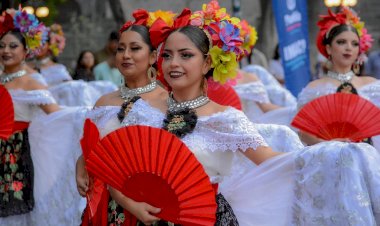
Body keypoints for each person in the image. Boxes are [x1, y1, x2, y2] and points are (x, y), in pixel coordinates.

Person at [86, 6, 380, 226]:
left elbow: (278, 162)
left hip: (205, 219)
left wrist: (333, 152)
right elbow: (116, 168)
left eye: (185, 55)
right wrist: (131, 204)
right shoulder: (143, 110)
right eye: (166, 55)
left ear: (207, 64)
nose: (173, 64)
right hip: (137, 218)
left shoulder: (225, 118)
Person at [76, 9, 169, 225]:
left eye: (135, 48)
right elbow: (91, 148)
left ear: (153, 56)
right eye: (120, 49)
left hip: (150, 205)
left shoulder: (168, 101)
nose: (125, 55)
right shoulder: (103, 101)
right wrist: (80, 166)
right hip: (108, 206)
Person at [297, 7, 380, 147]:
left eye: (354, 44)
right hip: (331, 159)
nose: (348, 48)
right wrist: (330, 144)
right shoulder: (314, 89)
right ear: (329, 48)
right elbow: (303, 132)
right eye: (341, 42)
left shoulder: (374, 86)